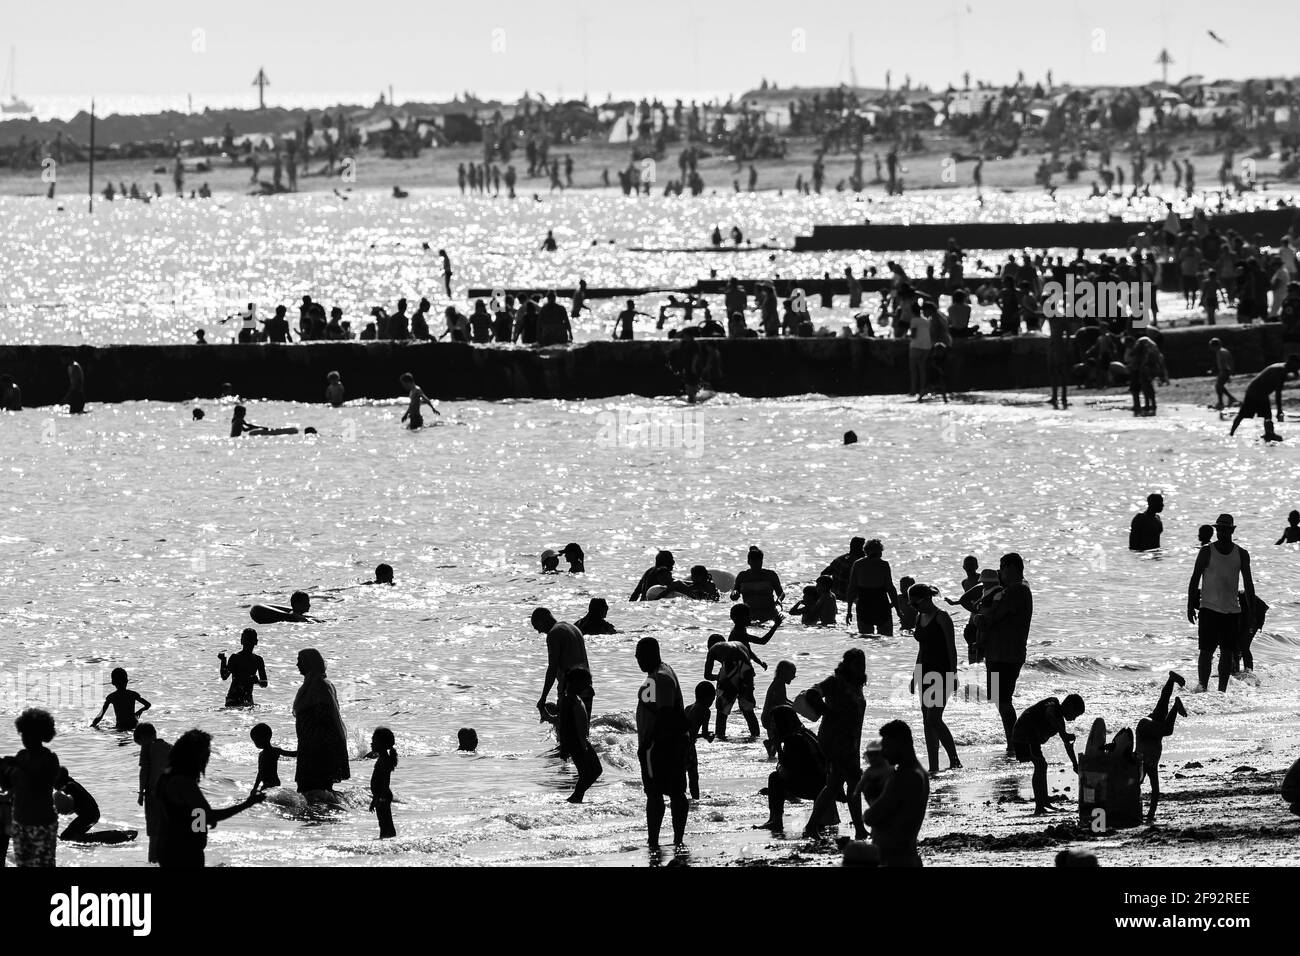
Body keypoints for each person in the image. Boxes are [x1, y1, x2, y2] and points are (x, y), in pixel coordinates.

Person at [155, 729, 264, 867]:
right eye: (205, 752)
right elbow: (208, 816)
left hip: (168, 846)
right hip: (184, 852)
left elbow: (184, 813)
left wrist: (202, 821)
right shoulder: (183, 782)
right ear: (195, 756)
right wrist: (247, 804)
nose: (207, 757)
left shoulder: (166, 776)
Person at [802, 649, 868, 840]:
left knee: (834, 785)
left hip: (851, 741)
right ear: (847, 664)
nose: (861, 667)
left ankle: (812, 826)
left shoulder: (856, 685)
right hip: (835, 740)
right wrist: (826, 711)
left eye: (863, 663)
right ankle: (859, 829)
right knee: (852, 782)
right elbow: (812, 692)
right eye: (857, 663)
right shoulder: (836, 681)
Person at [1187, 513, 1256, 692]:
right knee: (1206, 651)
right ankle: (1202, 687)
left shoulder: (1241, 554)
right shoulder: (1206, 551)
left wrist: (1252, 613)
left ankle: (1221, 691)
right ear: (1216, 530)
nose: (1222, 532)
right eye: (1219, 529)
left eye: (1225, 529)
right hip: (1208, 609)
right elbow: (1194, 580)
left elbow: (1248, 585)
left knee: (1227, 653)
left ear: (1232, 530)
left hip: (1232, 611)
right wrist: (1189, 606)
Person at [634, 637, 689, 849]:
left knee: (663, 792)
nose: (637, 659)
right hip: (660, 743)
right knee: (660, 792)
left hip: (663, 743)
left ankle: (669, 840)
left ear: (651, 654)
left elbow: (666, 714)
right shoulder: (657, 674)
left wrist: (648, 742)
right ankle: (660, 840)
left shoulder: (662, 678)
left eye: (640, 655)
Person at [977, 552, 1033, 755]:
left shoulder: (1016, 590)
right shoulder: (1017, 590)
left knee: (1003, 699)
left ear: (1012, 567)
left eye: (1002, 568)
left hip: (1005, 653)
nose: (1000, 572)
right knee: (1000, 699)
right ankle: (1013, 740)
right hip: (1003, 652)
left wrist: (981, 618)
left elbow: (994, 617)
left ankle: (1015, 741)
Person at [862, 720, 930, 866]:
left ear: (900, 744)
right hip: (908, 854)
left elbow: (871, 817)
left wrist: (869, 793)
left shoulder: (904, 777)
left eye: (887, 747)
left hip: (896, 858)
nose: (884, 754)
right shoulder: (921, 772)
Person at [909, 584, 961, 773]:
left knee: (934, 718)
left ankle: (955, 759)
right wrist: (915, 675)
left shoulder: (942, 617)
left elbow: (951, 647)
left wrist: (953, 674)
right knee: (926, 719)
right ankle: (933, 766)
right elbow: (922, 649)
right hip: (925, 673)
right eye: (912, 605)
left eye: (916, 604)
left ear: (927, 599)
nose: (914, 608)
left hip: (942, 672)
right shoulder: (919, 617)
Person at [0, 709, 61, 867]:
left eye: (29, 734)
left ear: (41, 736)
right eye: (23, 734)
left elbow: (39, 783)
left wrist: (15, 767)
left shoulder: (50, 759)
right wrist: (4, 770)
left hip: (43, 824)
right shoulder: (20, 756)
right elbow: (9, 786)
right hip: (20, 822)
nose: (25, 738)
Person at [754, 705, 827, 833]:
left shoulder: (794, 739)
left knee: (775, 778)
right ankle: (775, 820)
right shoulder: (804, 732)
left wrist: (777, 746)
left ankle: (776, 820)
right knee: (778, 776)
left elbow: (789, 765)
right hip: (821, 784)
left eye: (773, 722)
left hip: (813, 786)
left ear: (782, 723)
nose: (771, 726)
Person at [1011, 694, 1085, 814]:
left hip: (1032, 738)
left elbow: (1067, 744)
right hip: (1024, 734)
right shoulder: (1053, 702)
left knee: (1042, 765)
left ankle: (1044, 802)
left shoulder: (1060, 723)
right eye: (1075, 714)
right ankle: (1039, 807)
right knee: (1040, 765)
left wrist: (1075, 764)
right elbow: (1049, 714)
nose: (1074, 718)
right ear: (1070, 706)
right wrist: (1063, 732)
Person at [292, 649, 350, 797]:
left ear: (309, 663)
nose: (297, 664)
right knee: (311, 792)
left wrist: (315, 748)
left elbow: (325, 719)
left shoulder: (320, 686)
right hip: (307, 746)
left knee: (313, 791)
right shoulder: (310, 686)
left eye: (300, 660)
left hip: (317, 749)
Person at [1134, 671, 1187, 823]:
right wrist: (1150, 815)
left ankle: (1176, 705)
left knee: (1166, 722)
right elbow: (1155, 791)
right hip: (1147, 727)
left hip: (1145, 728)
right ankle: (1171, 680)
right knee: (1163, 705)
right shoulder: (1151, 768)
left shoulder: (1139, 767)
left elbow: (1135, 790)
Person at [531, 607, 591, 721]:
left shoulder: (554, 634)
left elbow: (552, 668)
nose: (539, 631)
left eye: (537, 627)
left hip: (570, 690)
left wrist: (543, 698)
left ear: (542, 620)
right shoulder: (574, 628)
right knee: (583, 729)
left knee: (566, 733)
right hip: (586, 687)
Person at [704, 631, 764, 740]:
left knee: (722, 711)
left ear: (709, 646)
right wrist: (749, 691)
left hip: (731, 666)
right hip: (747, 669)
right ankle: (756, 737)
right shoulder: (739, 644)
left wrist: (720, 678)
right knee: (747, 709)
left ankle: (720, 737)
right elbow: (748, 664)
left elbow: (707, 675)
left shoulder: (714, 648)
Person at [1229, 355, 1300, 440]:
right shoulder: (1281, 371)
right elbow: (1278, 393)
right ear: (1291, 363)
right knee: (1243, 414)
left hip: (1262, 393)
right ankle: (1231, 434)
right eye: (1297, 366)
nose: (1298, 368)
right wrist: (1279, 410)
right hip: (1254, 392)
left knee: (1267, 415)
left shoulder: (1282, 368)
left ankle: (1268, 434)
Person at [559, 667, 603, 803]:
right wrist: (564, 746)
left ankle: (577, 796)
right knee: (588, 772)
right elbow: (564, 725)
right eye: (586, 683)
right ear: (575, 683)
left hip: (581, 740)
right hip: (575, 741)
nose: (588, 686)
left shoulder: (575, 698)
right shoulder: (568, 700)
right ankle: (576, 797)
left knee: (595, 770)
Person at [133, 723, 171, 863]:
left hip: (153, 794)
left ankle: (152, 862)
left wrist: (141, 793)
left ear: (142, 737)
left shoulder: (147, 747)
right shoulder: (168, 747)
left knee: (153, 834)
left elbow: (144, 771)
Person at [845, 538, 899, 636]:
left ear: (865, 551)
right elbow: (890, 589)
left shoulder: (858, 564)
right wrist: (898, 611)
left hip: (864, 605)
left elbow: (852, 588)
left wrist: (849, 611)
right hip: (881, 604)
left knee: (866, 639)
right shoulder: (883, 565)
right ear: (880, 552)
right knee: (886, 638)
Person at [730, 546, 785, 622]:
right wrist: (734, 592)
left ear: (762, 561)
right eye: (754, 562)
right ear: (749, 562)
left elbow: (781, 593)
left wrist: (779, 601)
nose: (757, 565)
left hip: (770, 615)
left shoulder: (770, 575)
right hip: (750, 616)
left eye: (759, 562)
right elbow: (734, 596)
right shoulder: (742, 576)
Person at [218, 628, 268, 707]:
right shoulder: (235, 658)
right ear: (242, 641)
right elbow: (224, 676)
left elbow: (264, 683)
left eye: (250, 640)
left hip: (246, 699)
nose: (248, 643)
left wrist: (257, 681)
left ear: (256, 642)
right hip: (234, 699)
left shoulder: (258, 660)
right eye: (247, 640)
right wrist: (223, 660)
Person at [682, 681, 715, 800]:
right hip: (689, 746)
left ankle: (683, 798)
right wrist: (709, 736)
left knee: (682, 774)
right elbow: (705, 733)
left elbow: (687, 730)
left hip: (680, 744)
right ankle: (695, 799)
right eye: (713, 698)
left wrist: (699, 735)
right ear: (709, 698)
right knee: (693, 776)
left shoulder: (688, 708)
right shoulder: (706, 711)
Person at [91, 667, 151, 731]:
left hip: (121, 725)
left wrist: (93, 724)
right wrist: (139, 711)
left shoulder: (111, 697)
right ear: (127, 681)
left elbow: (101, 715)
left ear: (113, 682)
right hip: (133, 724)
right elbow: (147, 705)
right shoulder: (133, 694)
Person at [366, 727, 398, 838]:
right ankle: (386, 837)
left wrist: (377, 797)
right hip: (381, 795)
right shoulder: (382, 758)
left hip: (383, 796)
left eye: (374, 741)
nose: (371, 743)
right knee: (384, 822)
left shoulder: (384, 760)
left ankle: (388, 837)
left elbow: (384, 782)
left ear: (382, 744)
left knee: (385, 822)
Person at [760, 659, 796, 759]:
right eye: (792, 674)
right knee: (783, 737)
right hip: (771, 719)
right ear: (784, 673)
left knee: (774, 749)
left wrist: (795, 705)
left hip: (767, 717)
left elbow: (784, 699)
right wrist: (796, 707)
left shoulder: (778, 682)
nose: (793, 676)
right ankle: (775, 749)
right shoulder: (779, 683)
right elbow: (782, 703)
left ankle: (771, 749)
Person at [821, 536, 865, 602]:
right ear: (861, 548)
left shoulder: (839, 559)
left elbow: (823, 574)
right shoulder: (860, 564)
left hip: (835, 595)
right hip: (851, 598)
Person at [1209, 339, 1238, 411]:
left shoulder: (1222, 352)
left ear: (1215, 346)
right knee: (1219, 386)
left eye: (1211, 346)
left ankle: (1222, 402)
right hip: (1223, 371)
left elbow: (1229, 361)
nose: (1211, 348)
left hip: (1225, 371)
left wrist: (1230, 372)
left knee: (1218, 386)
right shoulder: (1219, 351)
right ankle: (1230, 399)